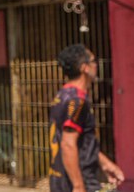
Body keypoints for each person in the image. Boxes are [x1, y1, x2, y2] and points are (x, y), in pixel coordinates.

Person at [49, 44, 124, 192]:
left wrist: (105, 163)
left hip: (59, 180)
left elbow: (81, 142)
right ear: (85, 68)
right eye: (93, 61)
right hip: (78, 180)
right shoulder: (77, 101)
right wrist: (78, 186)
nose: (96, 65)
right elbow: (68, 144)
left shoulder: (62, 96)